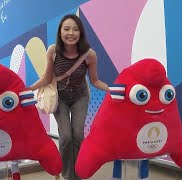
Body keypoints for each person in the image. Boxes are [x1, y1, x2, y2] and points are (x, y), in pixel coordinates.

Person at [29, 14, 109, 180]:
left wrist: (112, 90)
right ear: (60, 32)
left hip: (80, 97)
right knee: (65, 136)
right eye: (66, 29)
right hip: (60, 99)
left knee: (78, 135)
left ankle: (78, 173)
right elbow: (46, 78)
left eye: (75, 29)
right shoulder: (53, 51)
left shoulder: (89, 54)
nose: (71, 33)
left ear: (80, 33)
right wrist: (27, 89)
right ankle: (67, 175)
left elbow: (94, 81)